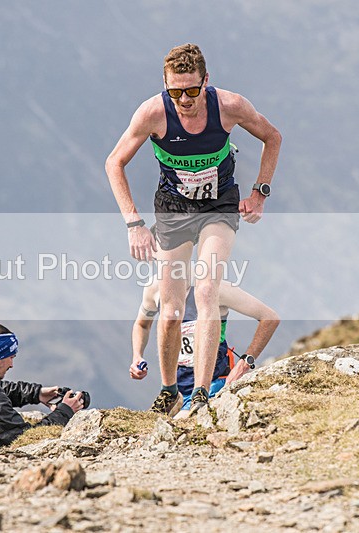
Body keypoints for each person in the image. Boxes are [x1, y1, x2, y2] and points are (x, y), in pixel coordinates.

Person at [105, 43, 282, 415]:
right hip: (173, 209)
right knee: (169, 311)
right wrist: (134, 224)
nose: (184, 99)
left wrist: (259, 192)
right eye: (175, 91)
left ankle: (201, 392)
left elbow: (272, 137)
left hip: (219, 205)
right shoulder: (153, 113)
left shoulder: (229, 106)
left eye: (192, 90)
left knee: (205, 290)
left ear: (206, 81)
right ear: (165, 87)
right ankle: (170, 390)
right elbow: (114, 163)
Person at [130, 277, 279, 417]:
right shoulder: (155, 288)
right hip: (178, 389)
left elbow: (270, 318)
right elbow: (142, 325)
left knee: (178, 431)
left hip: (214, 383)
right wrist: (137, 355)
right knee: (148, 432)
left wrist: (244, 364)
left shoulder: (215, 287)